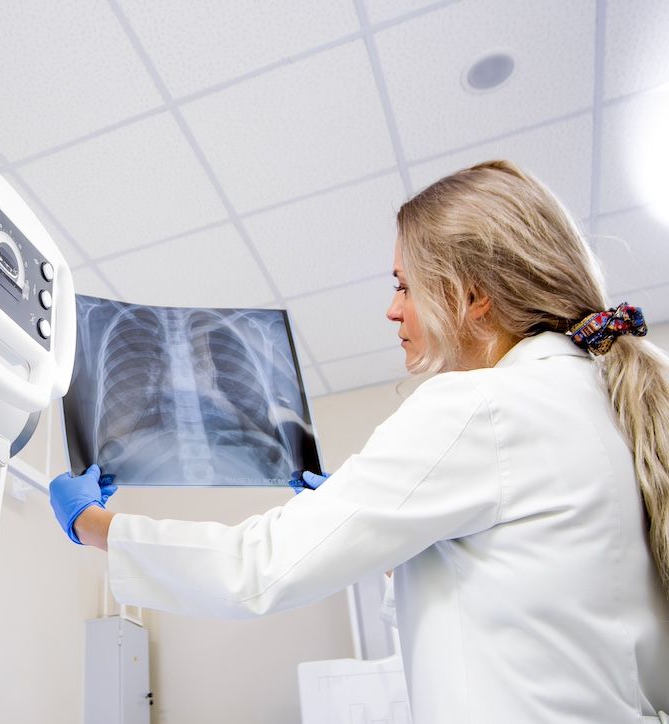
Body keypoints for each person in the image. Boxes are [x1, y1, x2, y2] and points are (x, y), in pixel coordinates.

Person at [49, 161, 669, 723]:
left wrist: (93, 524)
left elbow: (256, 568)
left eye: (404, 284)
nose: (392, 310)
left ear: (473, 296)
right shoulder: (604, 400)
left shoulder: (480, 409)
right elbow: (525, 610)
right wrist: (397, 534)